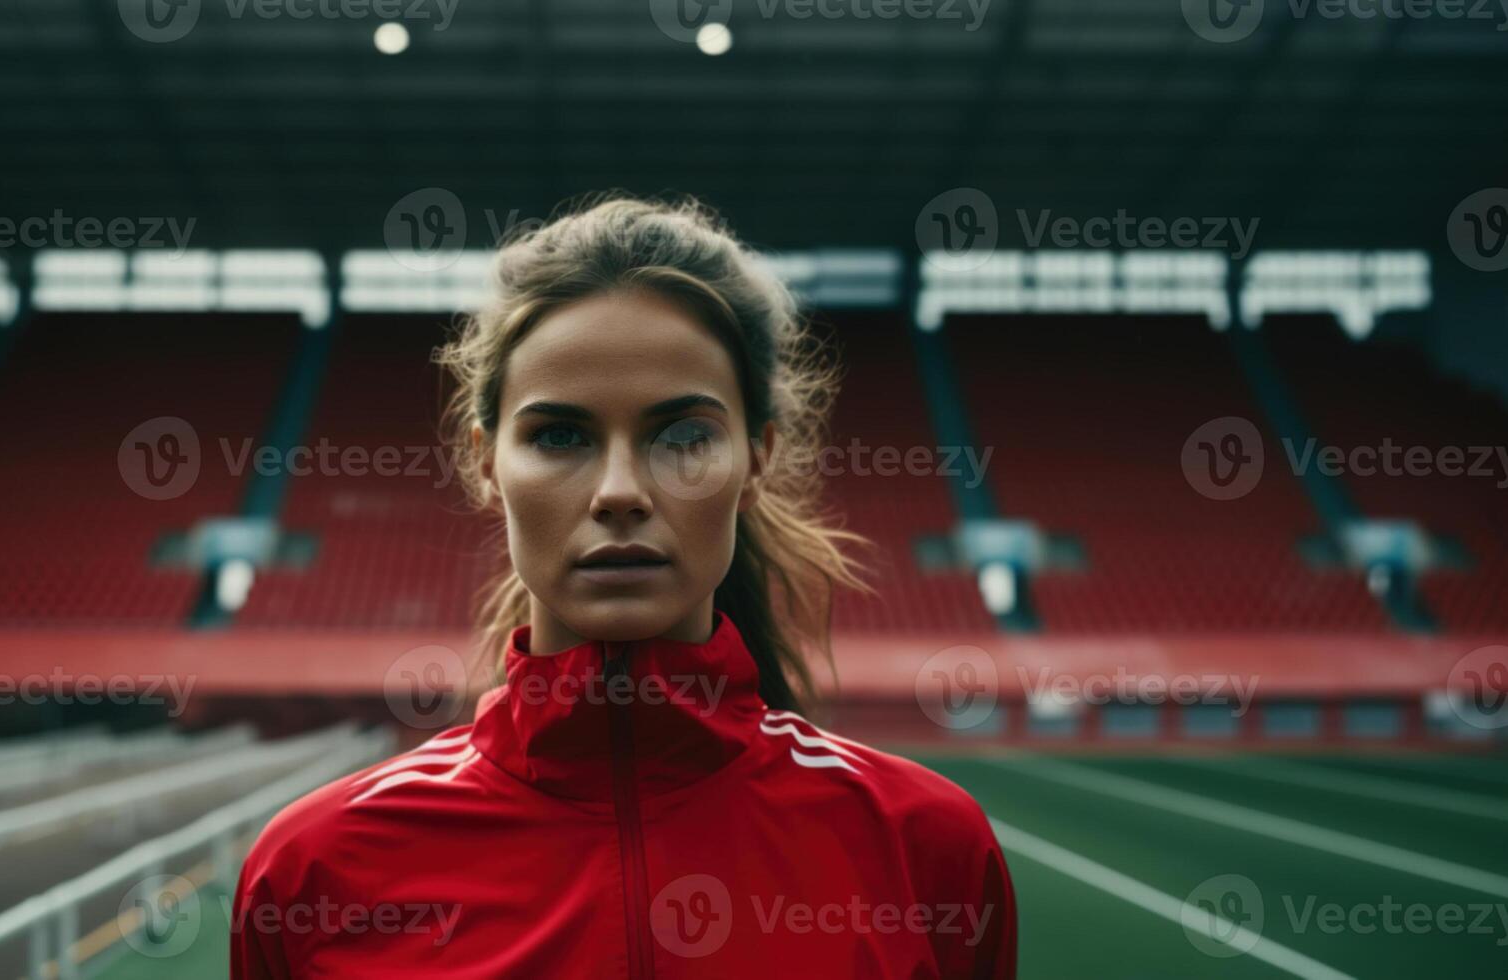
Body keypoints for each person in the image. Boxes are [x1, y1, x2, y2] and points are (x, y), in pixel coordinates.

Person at [230, 193, 1018, 978]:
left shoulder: (925, 849)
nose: (619, 491)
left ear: (756, 459)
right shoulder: (314, 870)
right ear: (484, 463)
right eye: (559, 435)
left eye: (682, 436)